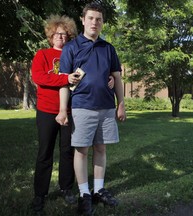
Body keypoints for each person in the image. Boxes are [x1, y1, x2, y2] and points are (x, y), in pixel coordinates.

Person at [31, 14, 114, 214]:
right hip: (47, 110)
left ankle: (66, 188)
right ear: (51, 36)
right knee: (45, 153)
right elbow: (39, 77)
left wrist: (108, 78)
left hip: (72, 109)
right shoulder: (43, 55)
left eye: (65, 34)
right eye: (57, 34)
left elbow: (95, 70)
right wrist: (64, 79)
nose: (61, 37)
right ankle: (39, 194)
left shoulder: (74, 51)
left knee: (68, 151)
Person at [55, 2, 126, 215]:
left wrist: (121, 104)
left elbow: (117, 78)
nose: (95, 22)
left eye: (99, 19)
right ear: (83, 20)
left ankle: (99, 190)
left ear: (102, 23)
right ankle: (84, 193)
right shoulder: (71, 48)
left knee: (101, 148)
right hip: (82, 107)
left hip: (105, 107)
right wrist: (62, 109)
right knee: (82, 150)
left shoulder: (108, 48)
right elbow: (65, 82)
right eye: (91, 18)